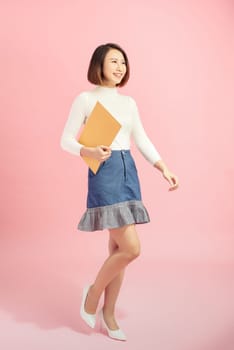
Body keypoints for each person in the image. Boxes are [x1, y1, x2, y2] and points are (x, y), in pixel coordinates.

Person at [60, 43, 179, 341]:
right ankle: (92, 294)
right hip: (105, 173)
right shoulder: (85, 99)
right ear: (98, 64)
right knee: (131, 249)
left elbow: (141, 138)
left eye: (123, 62)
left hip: (129, 173)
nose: (119, 67)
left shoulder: (129, 104)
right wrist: (86, 149)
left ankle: (109, 314)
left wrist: (162, 166)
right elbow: (65, 140)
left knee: (117, 251)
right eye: (113, 61)